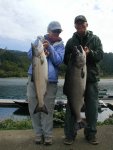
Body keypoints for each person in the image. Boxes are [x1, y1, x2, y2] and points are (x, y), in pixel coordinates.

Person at [63, 15, 103, 145]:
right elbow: (65, 59)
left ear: (87, 24)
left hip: (91, 78)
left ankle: (90, 134)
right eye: (77, 24)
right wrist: (75, 55)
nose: (80, 26)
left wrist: (89, 53)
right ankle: (70, 135)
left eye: (82, 23)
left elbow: (100, 55)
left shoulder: (95, 39)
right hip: (74, 81)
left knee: (92, 108)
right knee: (71, 107)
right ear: (75, 26)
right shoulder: (70, 41)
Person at [27, 21, 65, 145]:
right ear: (48, 31)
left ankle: (48, 136)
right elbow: (29, 55)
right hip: (34, 79)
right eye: (54, 31)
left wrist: (50, 48)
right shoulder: (38, 40)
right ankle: (38, 134)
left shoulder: (60, 45)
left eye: (58, 31)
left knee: (47, 109)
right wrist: (41, 50)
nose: (56, 33)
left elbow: (58, 61)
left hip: (51, 82)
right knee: (33, 107)